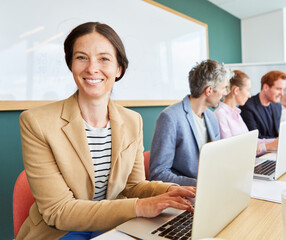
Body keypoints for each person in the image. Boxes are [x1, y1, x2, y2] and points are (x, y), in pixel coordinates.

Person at [18, 22, 195, 240]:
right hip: (60, 230)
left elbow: (133, 186)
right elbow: (58, 210)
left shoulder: (133, 120)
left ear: (118, 68)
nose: (92, 68)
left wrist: (169, 191)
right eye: (81, 57)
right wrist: (139, 207)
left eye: (104, 59)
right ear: (71, 65)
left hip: (113, 223)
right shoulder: (36, 122)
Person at [149, 60, 232, 186]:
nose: (225, 93)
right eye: (223, 88)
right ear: (209, 90)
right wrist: (201, 185)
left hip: (212, 189)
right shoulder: (170, 117)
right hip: (184, 195)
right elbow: (158, 174)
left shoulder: (212, 118)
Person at [214, 70, 278, 155]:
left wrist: (276, 141)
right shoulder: (220, 115)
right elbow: (230, 150)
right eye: (248, 90)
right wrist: (268, 146)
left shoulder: (236, 114)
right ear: (236, 90)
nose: (249, 95)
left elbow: (251, 141)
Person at [239, 70, 286, 139]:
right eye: (278, 89)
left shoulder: (277, 106)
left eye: (283, 90)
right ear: (265, 87)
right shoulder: (247, 106)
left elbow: (275, 134)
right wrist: (277, 141)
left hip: (275, 148)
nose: (282, 94)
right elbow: (255, 138)